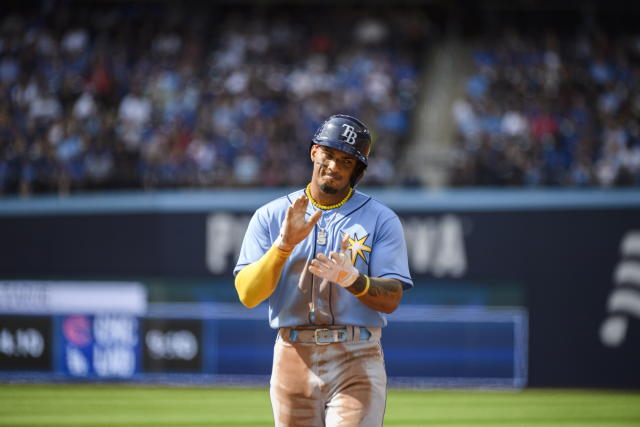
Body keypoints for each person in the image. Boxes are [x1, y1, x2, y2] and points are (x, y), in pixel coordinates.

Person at [234, 114, 413, 426]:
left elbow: (392, 298)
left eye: (346, 161)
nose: (334, 166)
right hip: (293, 353)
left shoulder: (381, 219)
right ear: (314, 151)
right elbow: (248, 294)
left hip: (356, 353)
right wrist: (283, 247)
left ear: (357, 170)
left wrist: (354, 280)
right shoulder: (272, 215)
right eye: (329, 155)